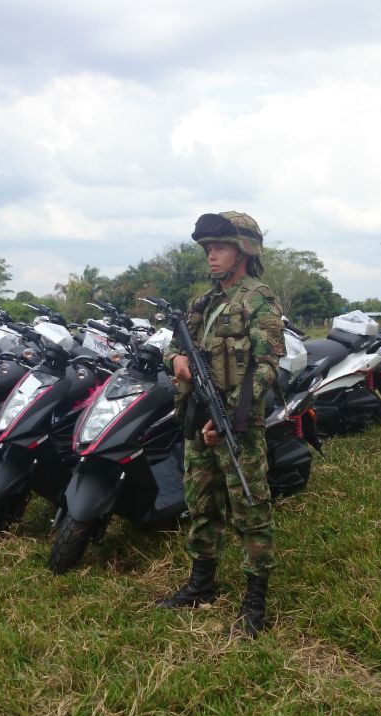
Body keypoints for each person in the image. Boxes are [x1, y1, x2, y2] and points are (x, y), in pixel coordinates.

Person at [158, 211, 285, 639]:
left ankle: (255, 599)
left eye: (220, 247)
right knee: (201, 503)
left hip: (237, 424)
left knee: (250, 508)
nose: (211, 255)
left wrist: (228, 417)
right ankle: (202, 582)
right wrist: (175, 360)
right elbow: (174, 347)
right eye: (208, 248)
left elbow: (266, 367)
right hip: (197, 417)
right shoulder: (202, 302)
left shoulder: (259, 299)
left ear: (244, 251)